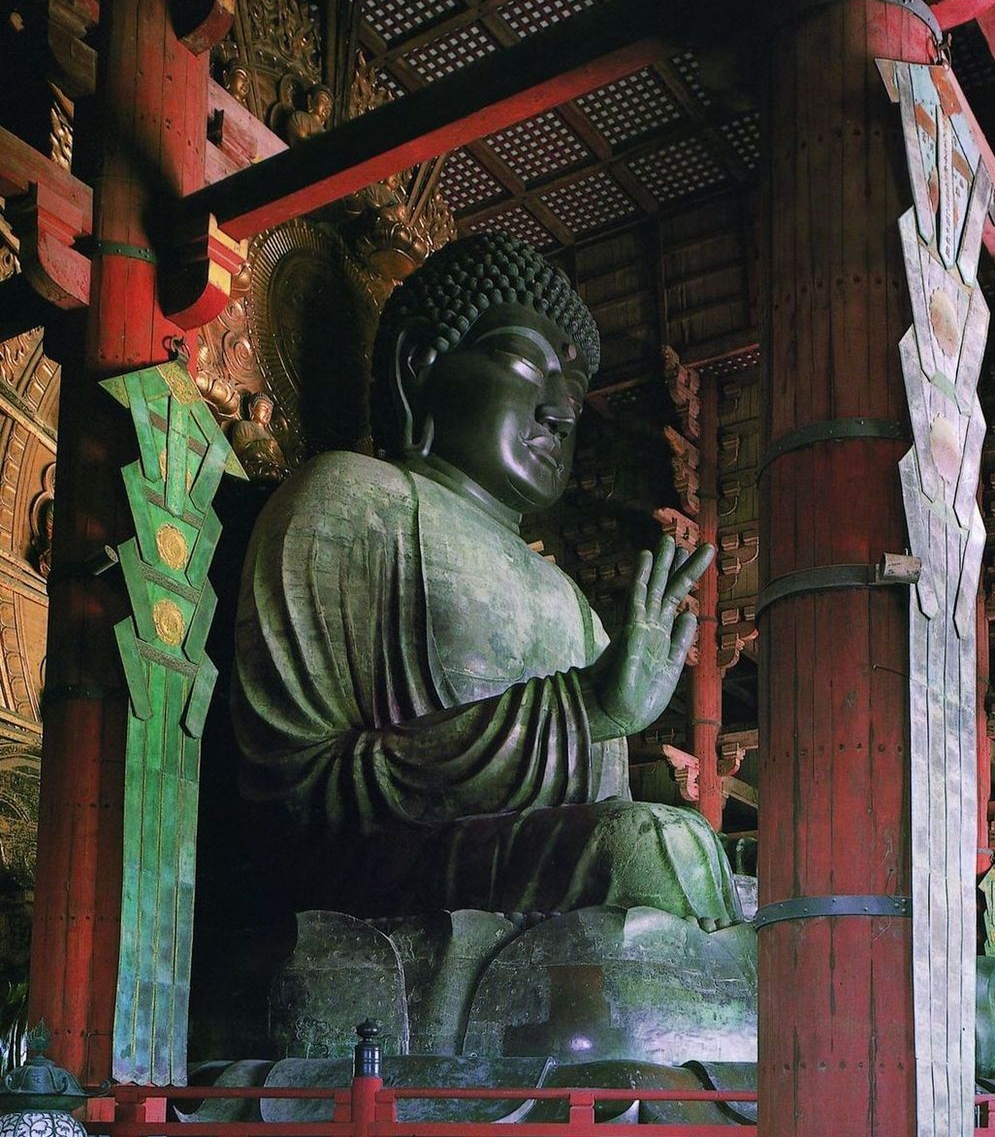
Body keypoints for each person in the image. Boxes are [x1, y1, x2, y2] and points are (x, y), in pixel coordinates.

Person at [231, 231, 742, 929]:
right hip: (375, 881)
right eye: (526, 363)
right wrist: (582, 709)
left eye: (570, 390)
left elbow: (594, 815)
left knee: (702, 862)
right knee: (649, 852)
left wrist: (599, 715)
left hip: (521, 869)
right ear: (421, 363)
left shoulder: (572, 603)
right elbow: (290, 791)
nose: (561, 411)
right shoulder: (349, 500)